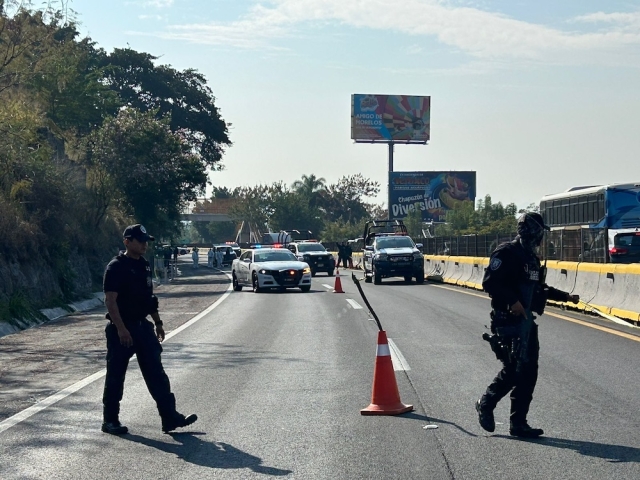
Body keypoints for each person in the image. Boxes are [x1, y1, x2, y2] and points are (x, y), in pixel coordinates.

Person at [475, 212, 579, 438]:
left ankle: (518, 423)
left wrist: (566, 297)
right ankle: (486, 403)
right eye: (541, 233)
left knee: (529, 373)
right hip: (507, 321)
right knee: (513, 371)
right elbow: (490, 282)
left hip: (526, 324)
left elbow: (539, 290)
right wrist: (513, 301)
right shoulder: (507, 253)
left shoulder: (532, 259)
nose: (542, 239)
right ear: (533, 232)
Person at [102, 224, 197, 435]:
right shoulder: (116, 267)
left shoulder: (144, 265)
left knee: (157, 373)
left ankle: (169, 418)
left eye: (146, 240)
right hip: (121, 330)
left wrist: (158, 322)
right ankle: (110, 421)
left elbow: (149, 298)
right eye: (140, 240)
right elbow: (110, 301)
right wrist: (121, 329)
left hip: (142, 327)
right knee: (116, 376)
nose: (145, 244)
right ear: (127, 241)